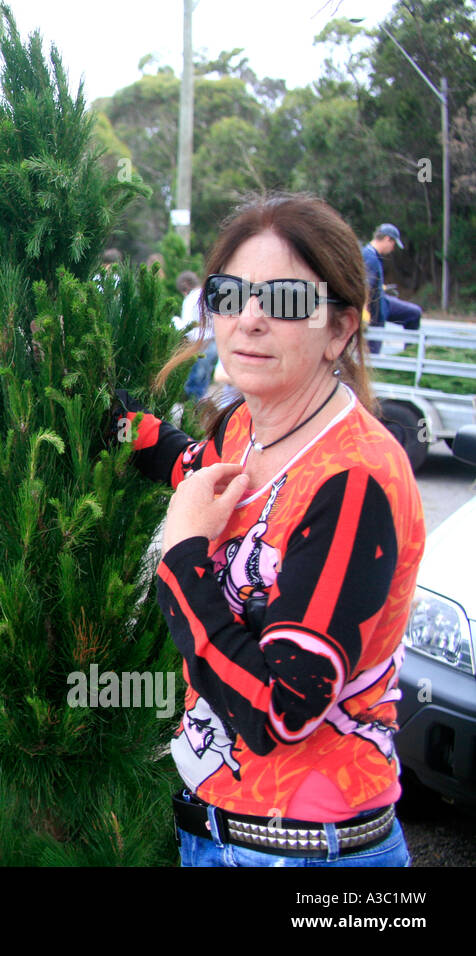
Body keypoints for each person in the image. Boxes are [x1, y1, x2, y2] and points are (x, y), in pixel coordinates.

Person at [116, 194, 424, 867]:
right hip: (218, 829)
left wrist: (183, 555)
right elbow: (192, 468)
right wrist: (112, 423)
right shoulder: (247, 424)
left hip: (305, 852)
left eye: (285, 301)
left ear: (341, 328)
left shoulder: (355, 482)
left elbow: (281, 710)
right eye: (231, 294)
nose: (250, 320)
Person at [362, 223, 421, 355]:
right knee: (373, 356)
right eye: (393, 244)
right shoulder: (370, 257)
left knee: (413, 314)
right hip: (375, 313)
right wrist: (364, 312)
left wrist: (382, 288)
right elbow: (364, 287)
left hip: (383, 303)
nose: (393, 248)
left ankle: (411, 354)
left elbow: (372, 281)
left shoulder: (374, 255)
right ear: (388, 239)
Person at [175, 271, 216, 402]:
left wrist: (175, 321)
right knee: (204, 382)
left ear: (185, 286)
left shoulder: (191, 298)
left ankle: (192, 416)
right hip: (213, 343)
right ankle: (201, 415)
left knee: (194, 386)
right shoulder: (208, 294)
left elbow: (188, 325)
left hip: (199, 345)